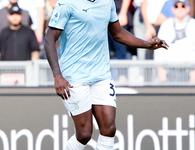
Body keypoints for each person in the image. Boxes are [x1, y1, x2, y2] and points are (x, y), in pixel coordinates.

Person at [44, 0, 168, 149]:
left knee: (109, 129)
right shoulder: (66, 3)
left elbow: (118, 33)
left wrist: (146, 44)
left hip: (101, 74)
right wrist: (57, 76)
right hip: (74, 76)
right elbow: (49, 38)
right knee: (84, 134)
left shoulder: (107, 2)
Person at [154, 0, 195, 83]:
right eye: (176, 6)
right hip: (169, 69)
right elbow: (159, 48)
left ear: (188, 8)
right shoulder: (166, 25)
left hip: (190, 70)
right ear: (172, 9)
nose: (179, 9)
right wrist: (160, 68)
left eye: (183, 6)